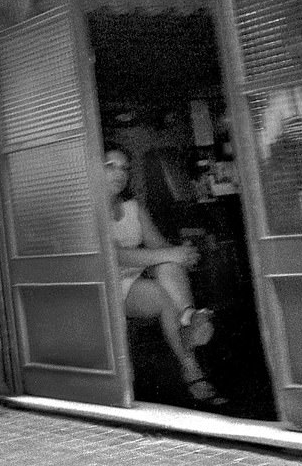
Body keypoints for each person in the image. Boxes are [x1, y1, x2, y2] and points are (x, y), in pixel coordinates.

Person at [104, 141, 224, 405]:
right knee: (160, 290)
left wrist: (182, 253)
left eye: (123, 168)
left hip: (134, 276)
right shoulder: (90, 211)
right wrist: (172, 254)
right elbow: (115, 257)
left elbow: (158, 245)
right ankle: (191, 367)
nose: (119, 173)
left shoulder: (133, 208)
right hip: (107, 283)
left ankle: (188, 318)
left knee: (168, 264)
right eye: (109, 166)